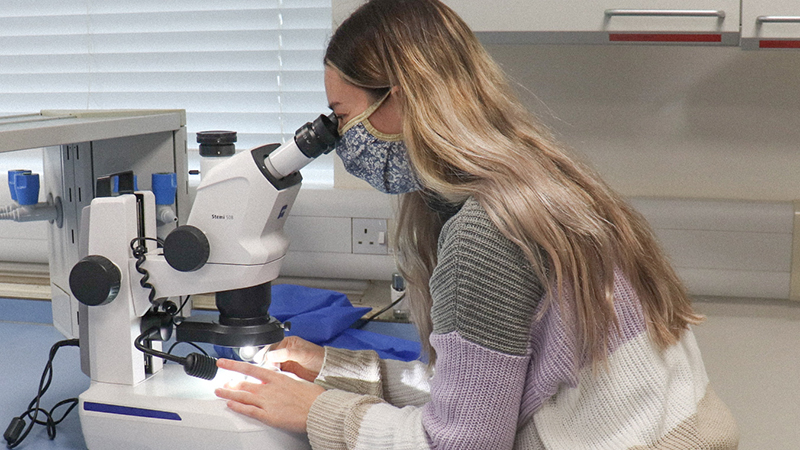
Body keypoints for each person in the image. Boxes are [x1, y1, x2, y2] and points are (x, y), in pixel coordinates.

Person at [214, 0, 740, 448]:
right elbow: (481, 395)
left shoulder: (485, 235)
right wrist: (331, 368)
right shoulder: (537, 183)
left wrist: (315, 411)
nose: (343, 138)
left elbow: (462, 442)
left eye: (342, 116)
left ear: (402, 95)